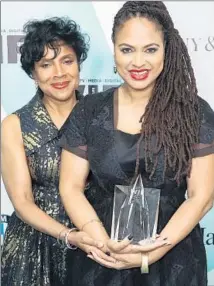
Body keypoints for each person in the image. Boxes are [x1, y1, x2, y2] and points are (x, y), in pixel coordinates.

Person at [59, 1, 214, 285]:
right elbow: (70, 186)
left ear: (167, 49)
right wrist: (100, 238)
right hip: (100, 256)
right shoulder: (90, 110)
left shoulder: (195, 112)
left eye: (150, 49)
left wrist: (152, 253)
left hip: (173, 259)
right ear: (114, 49)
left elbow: (201, 196)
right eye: (127, 49)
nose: (138, 62)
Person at [1, 17, 109, 286]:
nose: (59, 73)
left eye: (67, 61)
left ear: (79, 64)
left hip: (96, 242)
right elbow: (23, 201)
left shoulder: (102, 119)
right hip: (35, 248)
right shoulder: (15, 125)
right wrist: (68, 235)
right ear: (33, 74)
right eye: (46, 65)